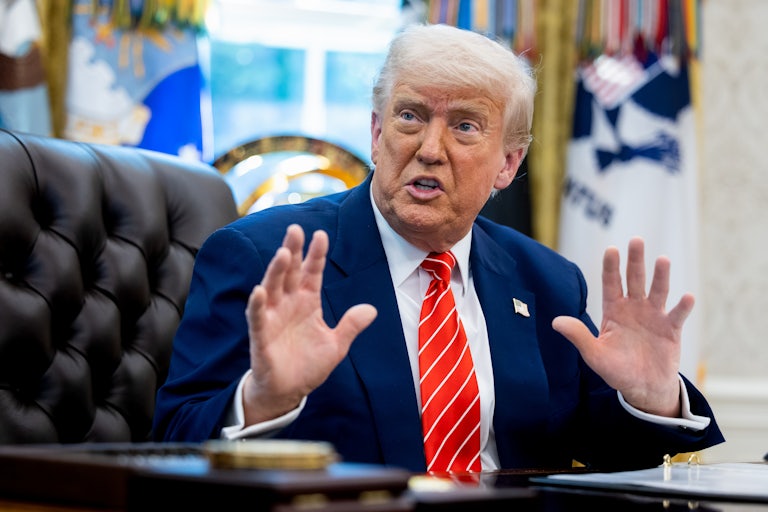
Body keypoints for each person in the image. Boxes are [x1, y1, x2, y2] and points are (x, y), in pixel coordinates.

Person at [152, 23, 724, 473]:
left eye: (466, 126)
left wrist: (651, 400)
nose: (429, 148)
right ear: (377, 134)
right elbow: (172, 440)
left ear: (508, 163)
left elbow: (612, 455)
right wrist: (260, 400)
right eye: (410, 116)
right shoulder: (266, 259)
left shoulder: (545, 282)